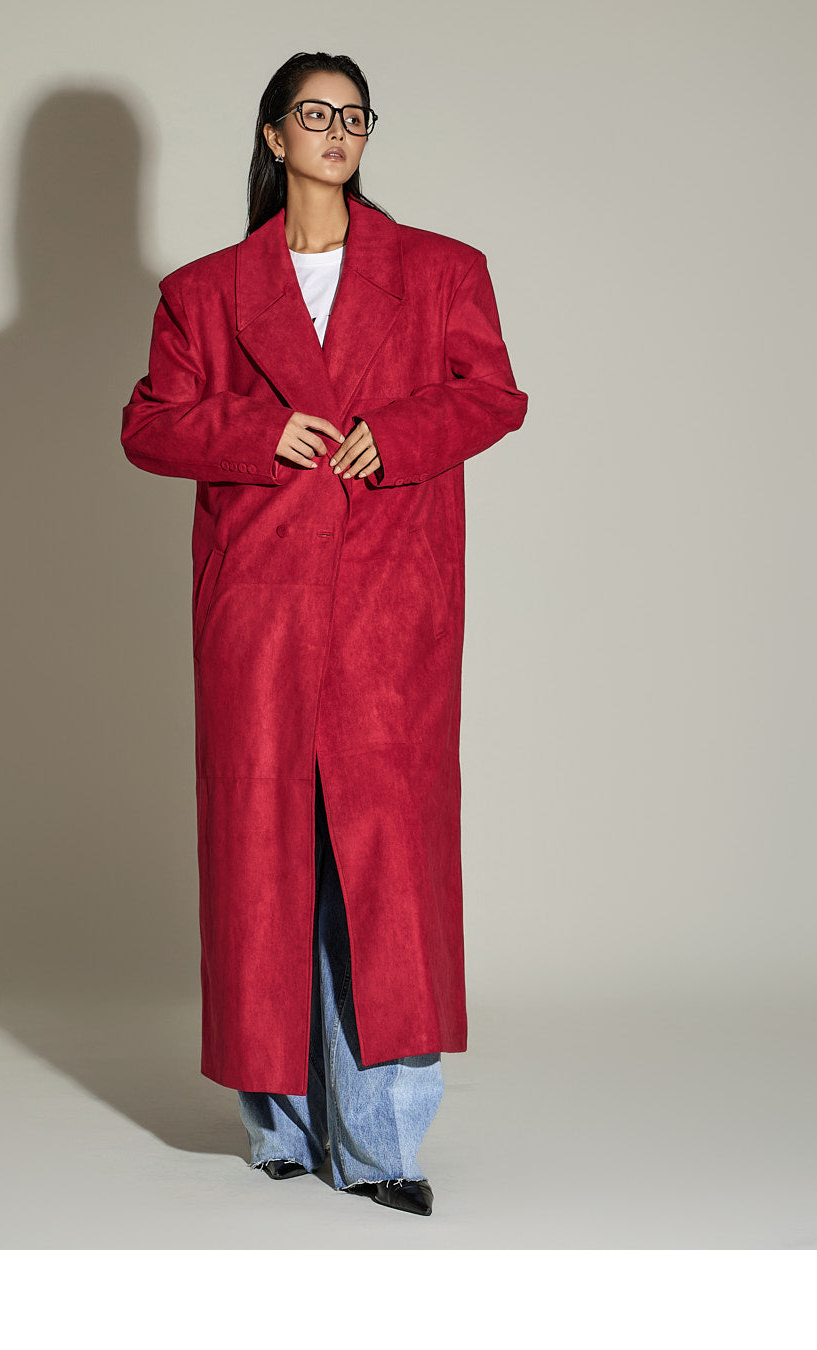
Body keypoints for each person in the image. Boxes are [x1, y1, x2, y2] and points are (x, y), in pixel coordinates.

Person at [121, 51, 528, 1217]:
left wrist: (395, 433)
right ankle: (285, 1129)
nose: (338, 131)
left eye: (355, 115)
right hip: (256, 608)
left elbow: (492, 395)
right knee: (267, 862)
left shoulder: (441, 271)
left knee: (383, 869)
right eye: (315, 113)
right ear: (273, 134)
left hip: (388, 610)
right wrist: (256, 432)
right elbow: (149, 426)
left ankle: (383, 1142)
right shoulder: (205, 291)